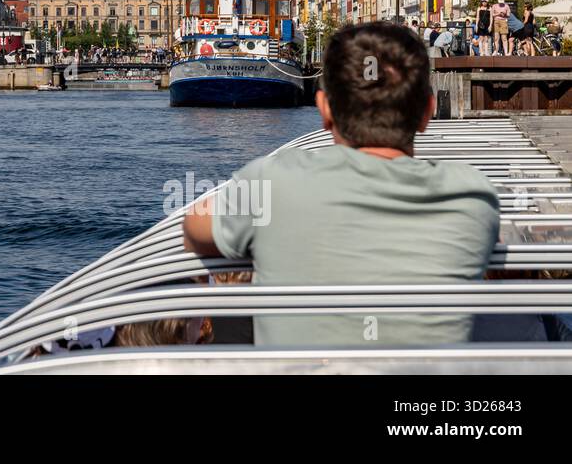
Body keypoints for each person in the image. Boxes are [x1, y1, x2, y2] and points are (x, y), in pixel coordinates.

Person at [182, 21, 500, 346]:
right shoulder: (472, 195)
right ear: (428, 112)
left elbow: (194, 229)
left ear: (325, 109)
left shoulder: (275, 180)